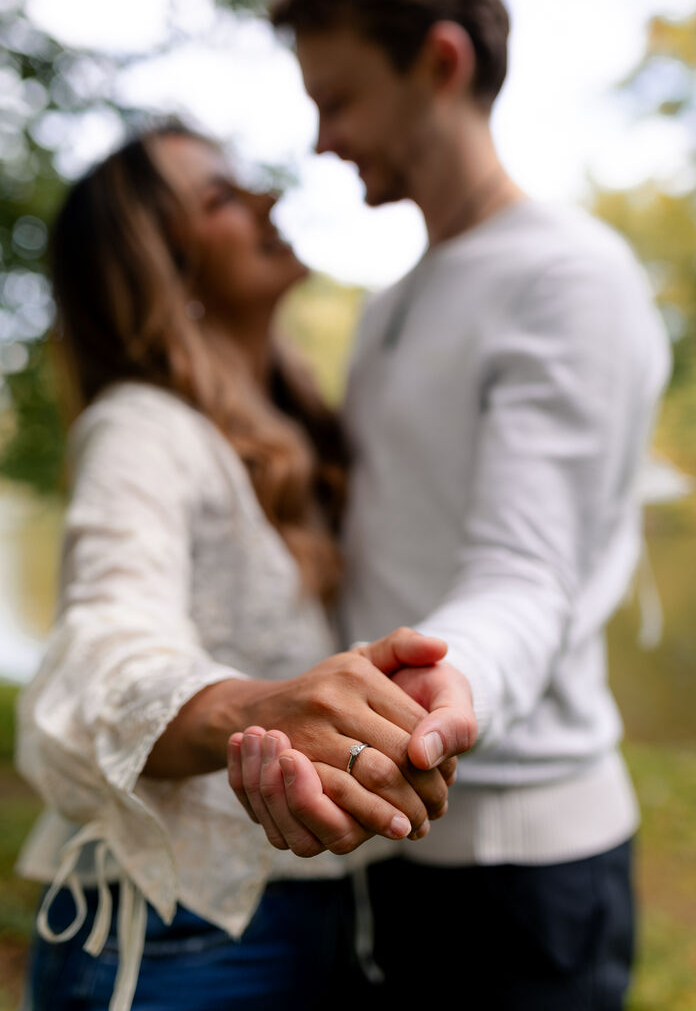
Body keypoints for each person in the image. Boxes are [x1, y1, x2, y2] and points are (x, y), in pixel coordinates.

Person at [230, 0, 672, 1008]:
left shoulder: (567, 281)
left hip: (523, 879)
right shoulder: (388, 311)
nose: (323, 140)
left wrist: (443, 685)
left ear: (439, 63)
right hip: (386, 847)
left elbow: (527, 571)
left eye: (337, 99)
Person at [14, 122, 475, 1011]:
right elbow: (106, 639)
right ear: (162, 268)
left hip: (320, 917)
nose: (266, 198)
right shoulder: (140, 430)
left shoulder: (298, 433)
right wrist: (260, 709)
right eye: (220, 197)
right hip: (173, 938)